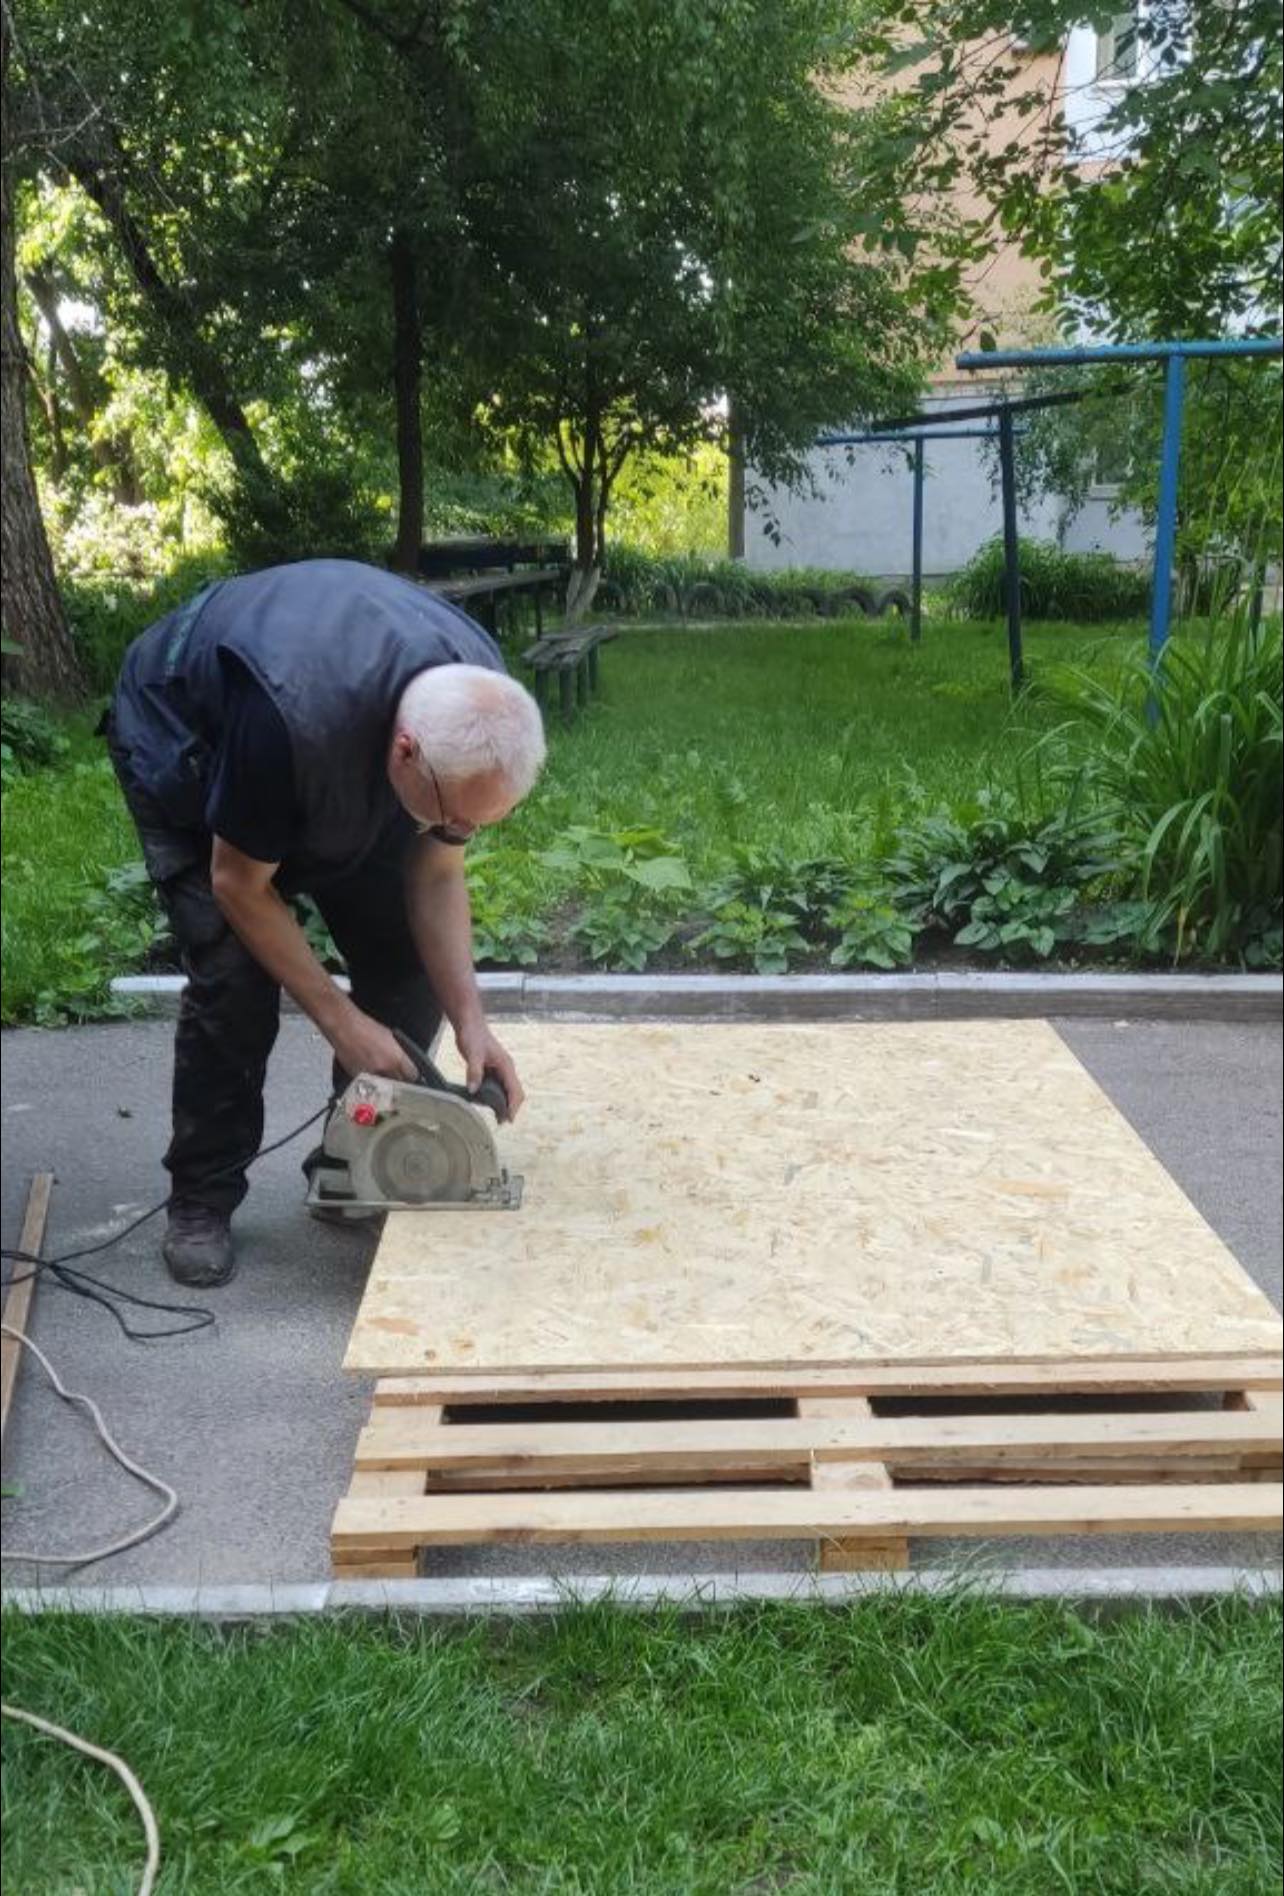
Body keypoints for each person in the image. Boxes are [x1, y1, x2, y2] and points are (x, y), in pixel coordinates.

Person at [103, 557, 546, 1288]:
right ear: (405, 752)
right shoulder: (285, 720)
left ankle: (351, 1160)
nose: (458, 835)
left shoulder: (473, 704)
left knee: (404, 961)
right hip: (187, 733)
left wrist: (472, 1022)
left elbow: (437, 870)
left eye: (476, 823)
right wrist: (341, 1022)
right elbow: (239, 884)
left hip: (337, 750)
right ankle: (201, 1199)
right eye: (453, 818)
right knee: (234, 976)